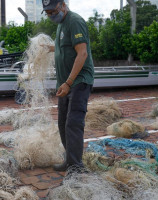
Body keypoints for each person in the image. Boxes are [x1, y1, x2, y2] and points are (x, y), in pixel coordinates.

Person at [42, 0, 94, 172]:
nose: (51, 15)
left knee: (73, 123)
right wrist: (48, 48)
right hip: (64, 84)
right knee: (63, 123)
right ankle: (69, 160)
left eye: (53, 11)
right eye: (48, 13)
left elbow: (82, 53)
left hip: (78, 81)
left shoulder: (75, 21)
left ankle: (76, 166)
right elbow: (63, 47)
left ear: (63, 5)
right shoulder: (61, 25)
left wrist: (69, 82)